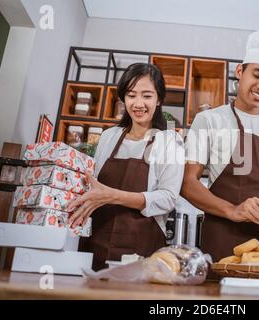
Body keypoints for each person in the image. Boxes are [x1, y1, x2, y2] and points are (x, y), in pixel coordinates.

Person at [181, 30, 259, 261]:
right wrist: (233, 210)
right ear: (240, 72)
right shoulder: (209, 120)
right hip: (226, 242)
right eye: (257, 74)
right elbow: (187, 183)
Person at [67, 63, 185, 270]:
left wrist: (112, 195)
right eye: (131, 95)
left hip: (140, 246)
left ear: (159, 99)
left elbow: (168, 198)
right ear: (123, 98)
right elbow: (93, 187)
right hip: (94, 240)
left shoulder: (170, 141)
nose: (138, 103)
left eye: (147, 96)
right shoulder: (108, 137)